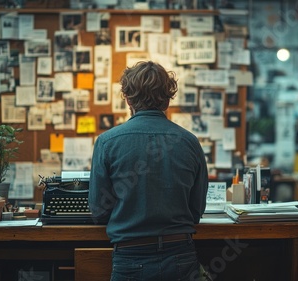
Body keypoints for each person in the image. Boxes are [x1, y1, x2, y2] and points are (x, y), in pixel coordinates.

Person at [88, 61, 209, 281]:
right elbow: (196, 210)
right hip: (181, 255)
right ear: (168, 98)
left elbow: (98, 211)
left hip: (130, 257)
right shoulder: (189, 142)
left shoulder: (107, 142)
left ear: (127, 98)